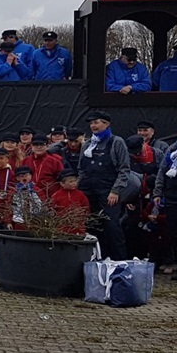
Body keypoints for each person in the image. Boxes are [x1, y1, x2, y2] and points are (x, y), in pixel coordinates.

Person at [78, 111, 131, 260]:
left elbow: (124, 169)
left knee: (112, 227)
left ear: (106, 124)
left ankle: (119, 262)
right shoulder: (87, 144)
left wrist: (116, 190)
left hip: (108, 192)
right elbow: (82, 169)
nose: (93, 126)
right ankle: (96, 260)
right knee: (92, 227)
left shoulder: (116, 142)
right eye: (91, 123)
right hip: (88, 190)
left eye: (97, 122)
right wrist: (77, 187)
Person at [153, 120, 177, 280]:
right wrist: (157, 192)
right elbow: (162, 171)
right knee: (176, 233)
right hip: (173, 197)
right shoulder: (173, 149)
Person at [21, 135, 64, 199]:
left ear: (47, 146)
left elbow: (62, 179)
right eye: (36, 144)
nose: (39, 147)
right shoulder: (25, 161)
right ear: (31, 146)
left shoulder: (54, 161)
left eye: (42, 144)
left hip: (49, 198)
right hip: (29, 198)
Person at [51, 169, 90, 235]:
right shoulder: (56, 196)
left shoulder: (80, 194)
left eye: (75, 181)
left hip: (78, 227)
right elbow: (52, 210)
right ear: (62, 184)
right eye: (70, 182)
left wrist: (84, 218)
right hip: (62, 227)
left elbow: (86, 207)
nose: (74, 183)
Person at [11, 166, 42, 231]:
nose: (24, 177)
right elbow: (9, 207)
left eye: (26, 175)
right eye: (21, 176)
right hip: (19, 222)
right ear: (17, 178)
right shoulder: (13, 191)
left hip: (35, 221)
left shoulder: (37, 190)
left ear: (30, 176)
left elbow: (43, 203)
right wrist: (8, 222)